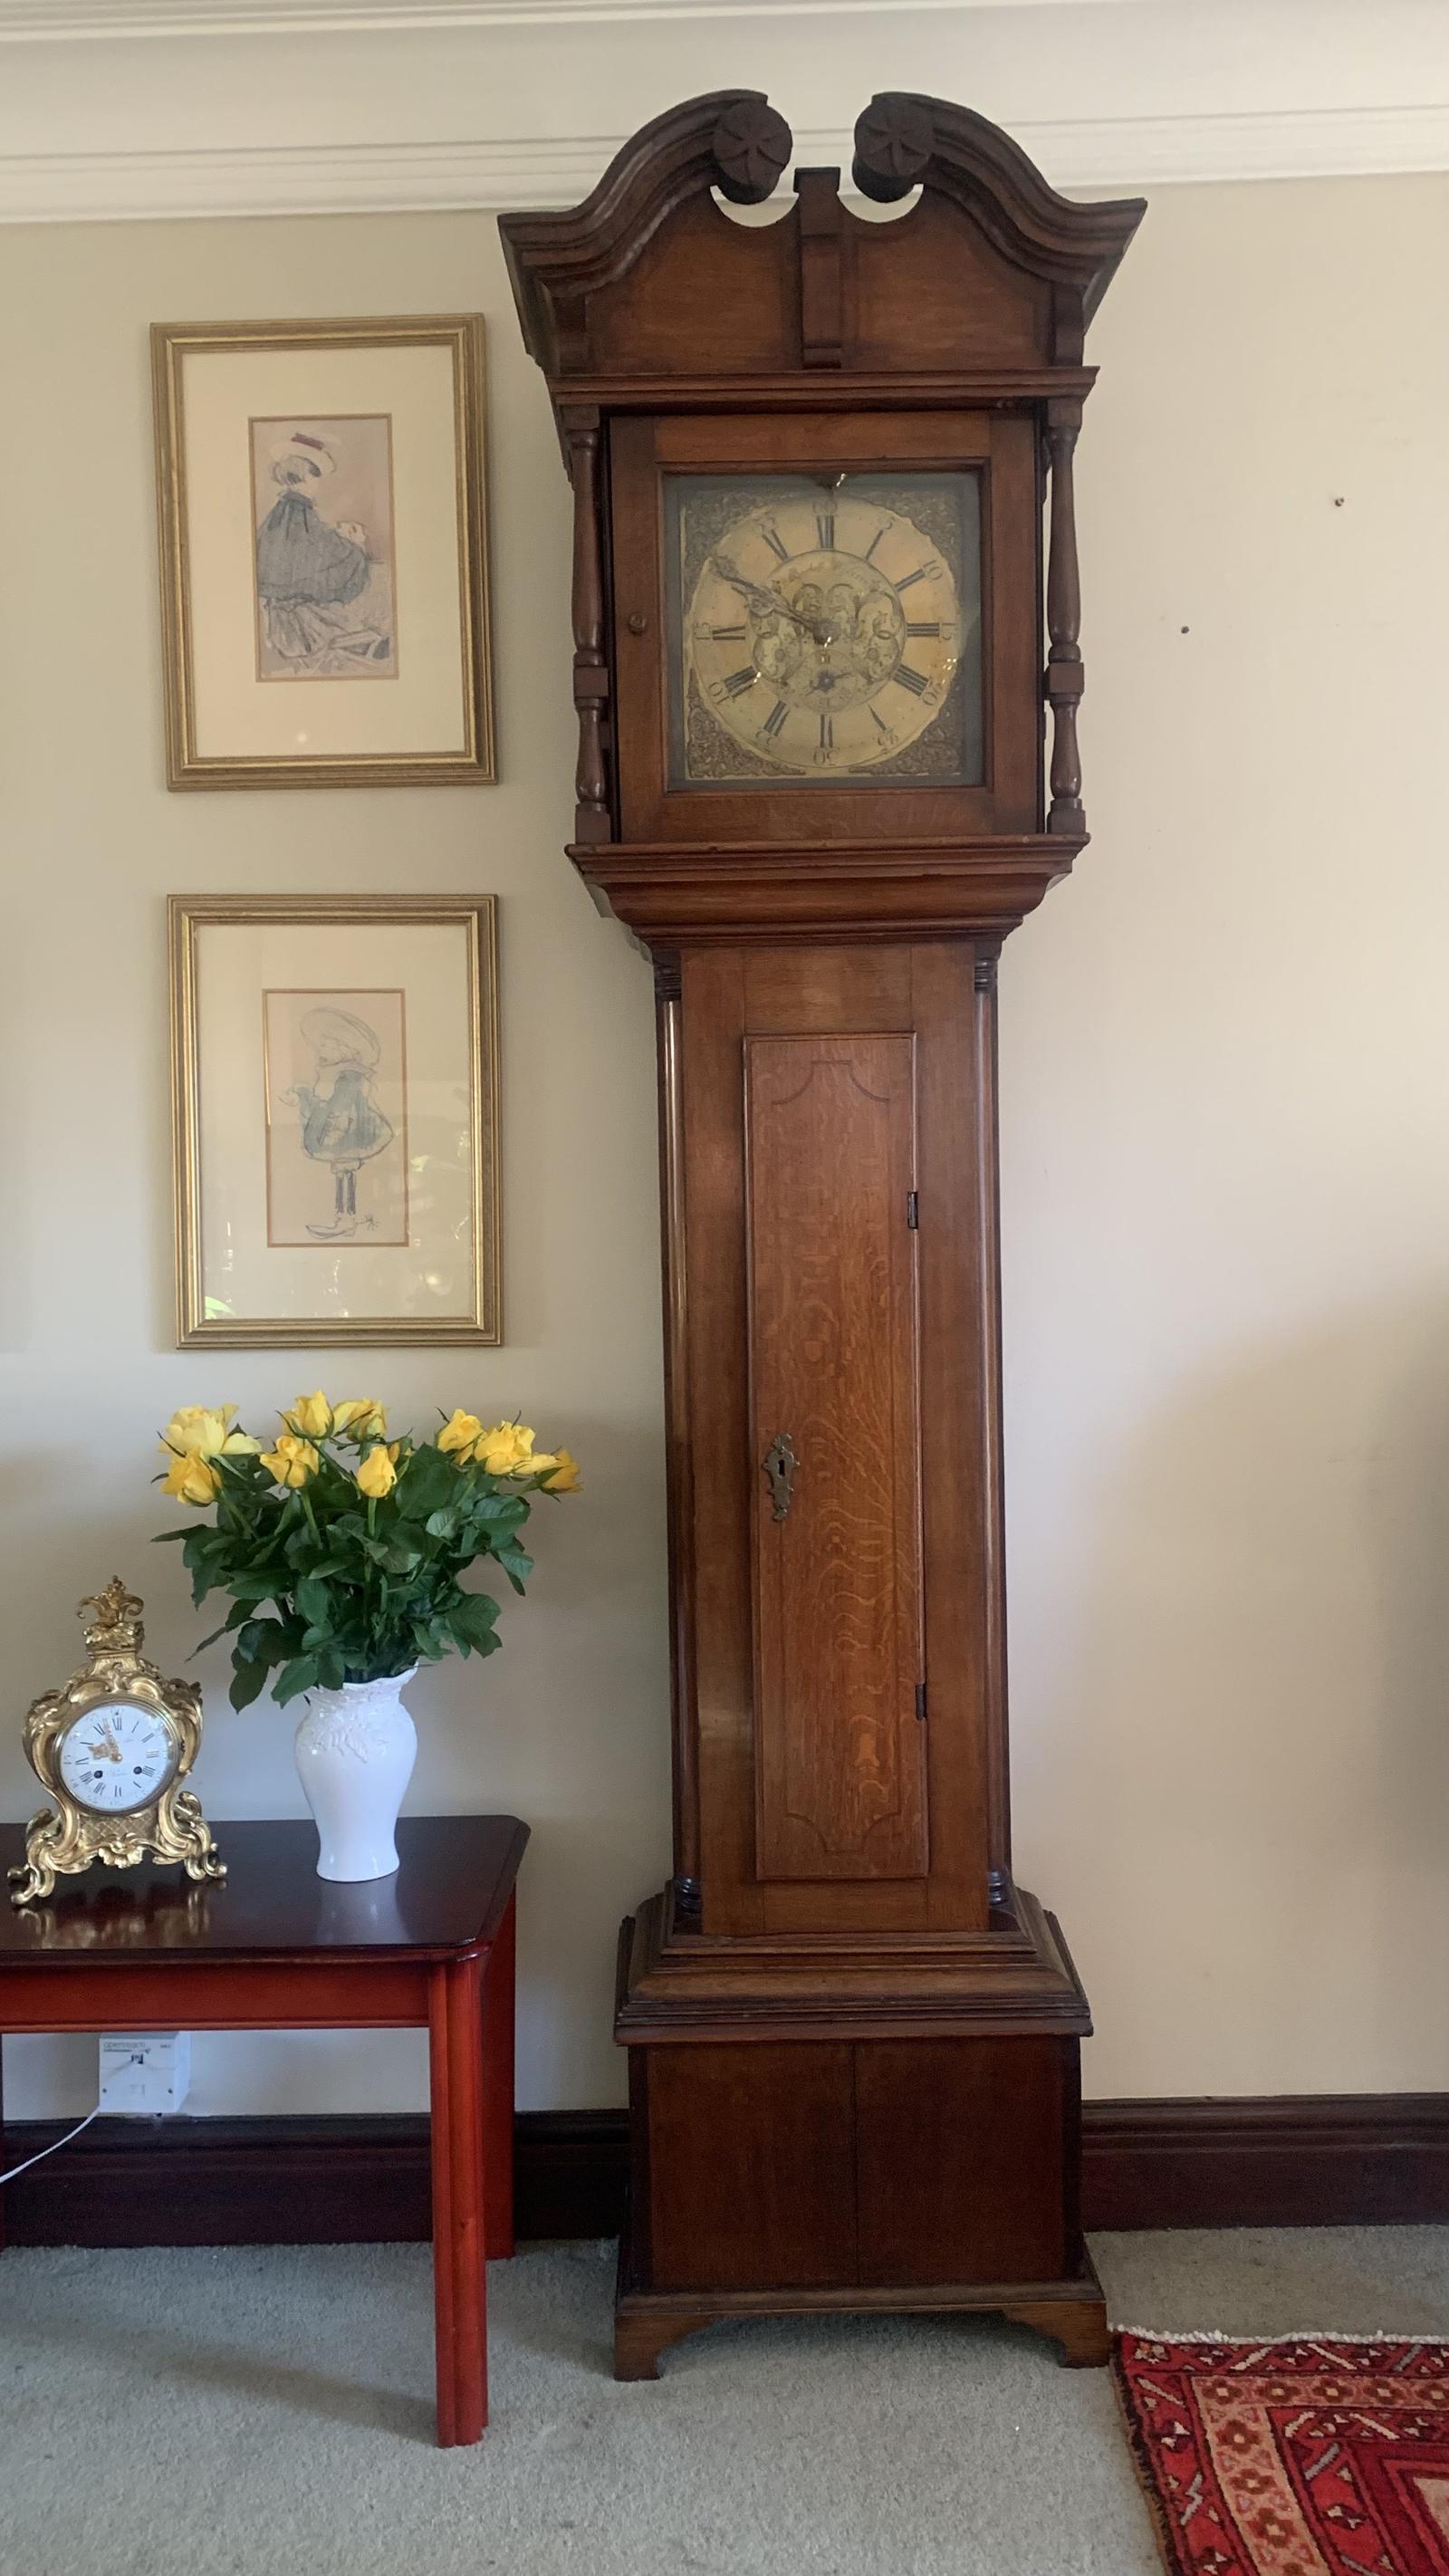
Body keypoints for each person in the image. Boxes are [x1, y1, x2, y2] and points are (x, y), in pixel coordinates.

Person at [255, 430, 390, 674]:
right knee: (369, 615)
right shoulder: (296, 512)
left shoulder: (284, 513)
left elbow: (312, 547)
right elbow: (315, 559)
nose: (318, 484)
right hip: (301, 623)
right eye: (316, 476)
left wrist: (339, 540)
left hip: (288, 617)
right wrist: (354, 545)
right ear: (305, 476)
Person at [282, 1006, 395, 1241]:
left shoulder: (349, 1075)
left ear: (342, 1048)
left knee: (345, 1174)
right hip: (343, 1130)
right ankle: (344, 1218)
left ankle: (346, 1219)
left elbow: (338, 1105)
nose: (319, 1051)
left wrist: (319, 1114)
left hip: (348, 1133)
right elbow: (329, 1103)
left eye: (325, 1046)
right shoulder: (335, 1073)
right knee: (343, 1175)